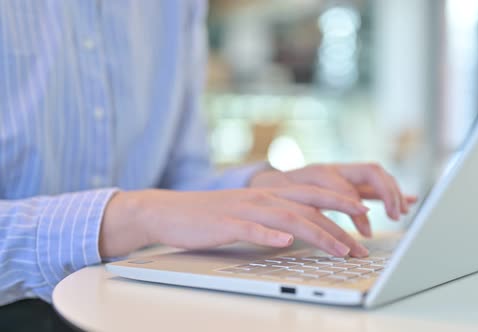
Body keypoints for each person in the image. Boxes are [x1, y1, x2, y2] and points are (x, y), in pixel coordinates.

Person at [0, 1, 415, 327]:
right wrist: (132, 214)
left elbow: (181, 177)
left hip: (137, 300)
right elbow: (155, 210)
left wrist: (262, 190)